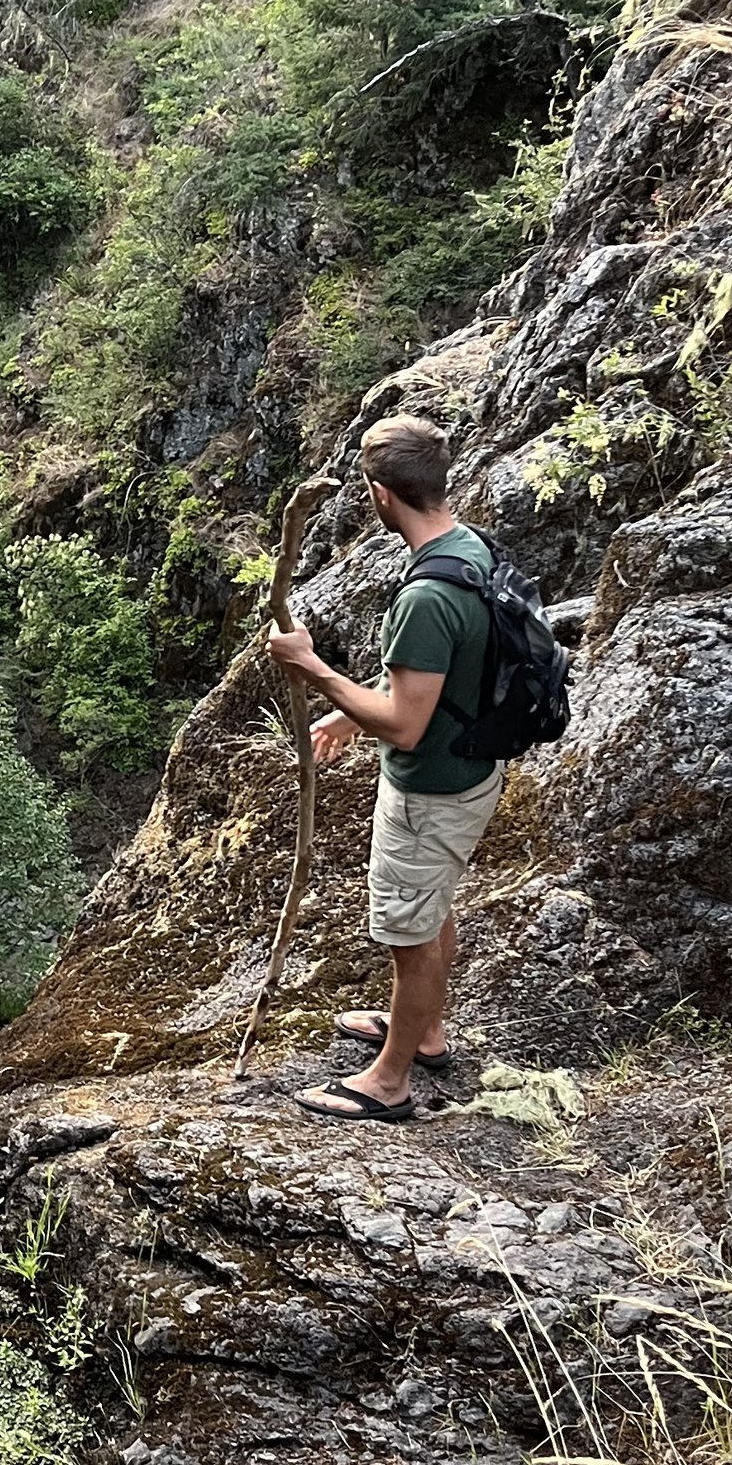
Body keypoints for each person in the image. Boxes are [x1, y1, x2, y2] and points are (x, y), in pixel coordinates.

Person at [264, 413, 502, 1122]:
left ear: (380, 494)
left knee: (408, 933)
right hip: (470, 770)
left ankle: (389, 1080)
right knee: (432, 910)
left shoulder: (425, 594)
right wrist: (351, 708)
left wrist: (313, 667)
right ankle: (424, 1032)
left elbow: (404, 720)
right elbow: (432, 674)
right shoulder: (468, 550)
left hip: (430, 789)